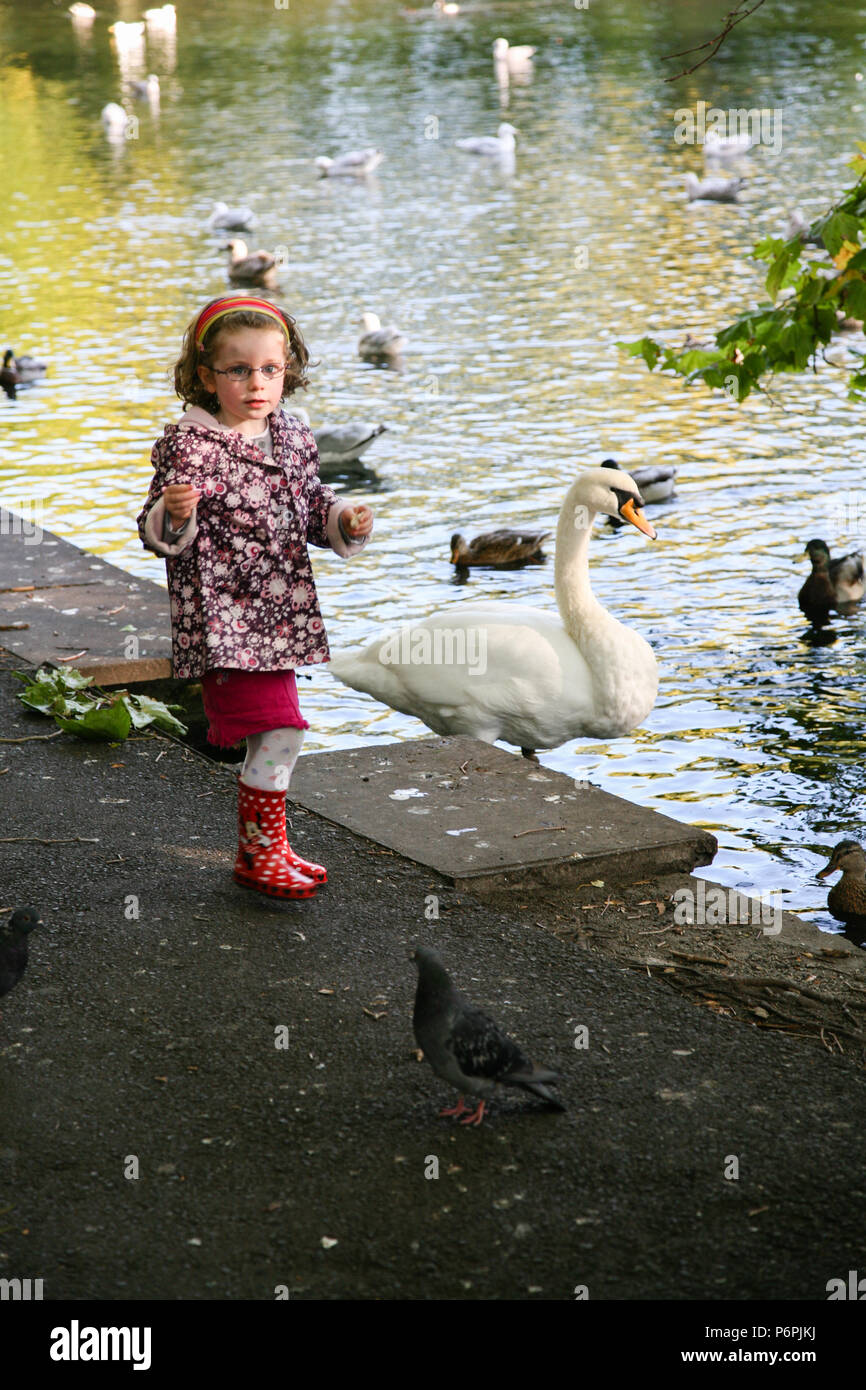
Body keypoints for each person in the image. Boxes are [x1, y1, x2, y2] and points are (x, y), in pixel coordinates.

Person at [137, 294, 373, 900]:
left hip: (280, 615)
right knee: (281, 730)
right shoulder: (192, 445)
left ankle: (268, 847)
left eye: (270, 369)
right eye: (238, 370)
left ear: (287, 370)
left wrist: (343, 518)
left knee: (279, 734)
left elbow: (310, 503)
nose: (256, 382)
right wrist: (174, 512)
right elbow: (155, 529)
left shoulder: (291, 433)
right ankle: (258, 852)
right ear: (205, 376)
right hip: (225, 619)